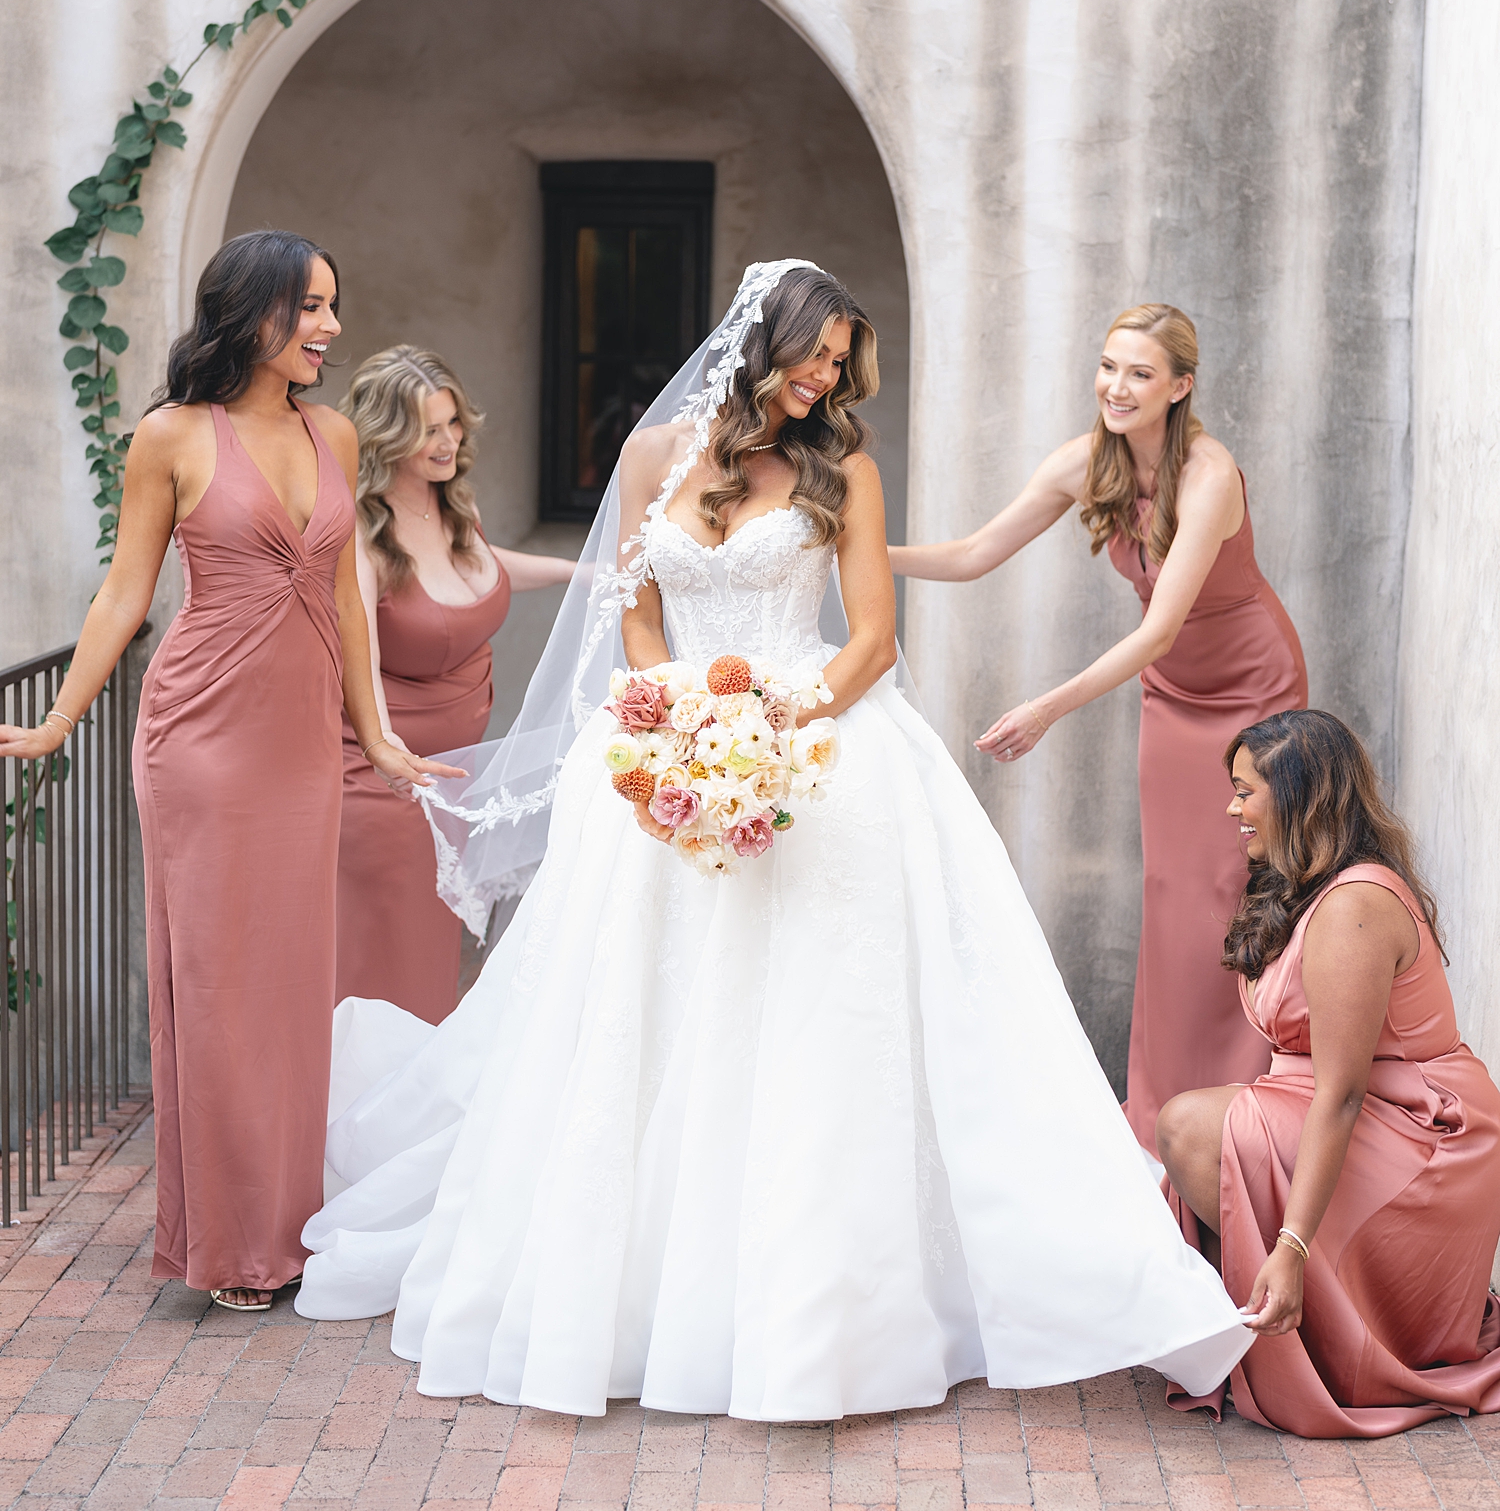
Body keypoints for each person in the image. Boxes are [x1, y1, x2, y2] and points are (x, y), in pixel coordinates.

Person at [294, 260, 1254, 1422]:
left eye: (842, 364)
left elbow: (873, 641)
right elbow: (636, 608)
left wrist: (768, 726)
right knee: (649, 1015)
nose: (828, 378)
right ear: (766, 341)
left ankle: (820, 1308)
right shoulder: (654, 456)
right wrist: (678, 718)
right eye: (818, 355)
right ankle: (641, 1286)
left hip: (816, 743)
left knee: (811, 1025)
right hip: (671, 743)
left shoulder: (844, 465)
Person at [0, 232, 456, 1312]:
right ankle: (233, 1245)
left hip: (302, 748)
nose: (330, 327)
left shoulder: (332, 430)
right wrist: (60, 718)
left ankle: (288, 1224)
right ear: (251, 313)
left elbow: (343, 599)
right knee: (217, 990)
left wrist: (373, 734)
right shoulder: (171, 435)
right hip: (201, 739)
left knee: (292, 986)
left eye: (332, 304)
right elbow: (126, 592)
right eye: (311, 306)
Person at [889, 304, 1307, 1150]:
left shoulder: (1208, 476)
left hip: (1251, 691)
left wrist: (1047, 708)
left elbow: (1158, 629)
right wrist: (854, 552)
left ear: (1179, 387)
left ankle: (1242, 1112)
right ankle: (1160, 1116)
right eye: (1109, 366)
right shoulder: (1085, 463)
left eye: (1140, 373)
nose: (1117, 386)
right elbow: (973, 554)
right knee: (1172, 894)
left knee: (1233, 890)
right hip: (1173, 695)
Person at [1158, 710, 1500, 1436]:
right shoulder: (1299, 885)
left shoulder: (1355, 906)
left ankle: (1325, 1325)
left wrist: (1291, 1245)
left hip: (1422, 1134)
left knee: (1190, 1127)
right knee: (1201, 1128)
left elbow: (1340, 1094)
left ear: (1299, 796)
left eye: (1245, 791)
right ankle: (1285, 1316)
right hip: (1360, 1107)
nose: (1232, 809)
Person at [336, 346, 575, 1024]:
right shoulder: (360, 532)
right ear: (387, 436)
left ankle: (412, 1087)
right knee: (385, 960)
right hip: (382, 782)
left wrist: (582, 573)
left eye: (452, 423)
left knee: (431, 958)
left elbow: (480, 569)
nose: (447, 443)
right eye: (427, 430)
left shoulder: (449, 508)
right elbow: (358, 652)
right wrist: (386, 749)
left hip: (451, 785)